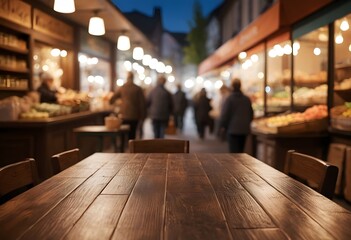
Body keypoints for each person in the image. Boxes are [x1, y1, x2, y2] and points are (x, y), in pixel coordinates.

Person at [219, 78, 253, 153]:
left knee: (233, 152)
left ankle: (234, 165)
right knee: (241, 151)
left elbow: (225, 114)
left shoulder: (230, 99)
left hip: (232, 129)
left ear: (232, 86)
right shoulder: (246, 99)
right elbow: (251, 114)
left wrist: (222, 126)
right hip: (244, 129)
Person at [110, 71, 146, 140]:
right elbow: (142, 104)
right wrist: (143, 116)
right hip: (134, 115)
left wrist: (115, 104)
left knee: (123, 134)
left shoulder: (122, 87)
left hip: (123, 114)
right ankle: (131, 148)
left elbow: (112, 99)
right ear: (133, 78)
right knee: (132, 134)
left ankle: (123, 148)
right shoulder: (137, 88)